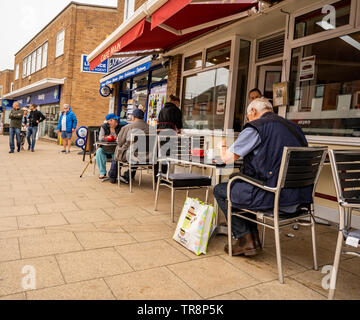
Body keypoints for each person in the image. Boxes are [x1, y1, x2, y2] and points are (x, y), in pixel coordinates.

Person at [213, 98, 311, 257]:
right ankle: (254, 239)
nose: (248, 120)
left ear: (253, 112)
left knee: (222, 189)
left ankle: (245, 239)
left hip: (274, 197)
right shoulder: (295, 129)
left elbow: (227, 159)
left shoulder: (257, 127)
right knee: (240, 185)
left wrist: (222, 146)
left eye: (248, 116)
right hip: (299, 199)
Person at [109, 108, 150, 184]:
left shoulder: (127, 127)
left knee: (118, 149)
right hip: (147, 157)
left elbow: (120, 142)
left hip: (130, 156)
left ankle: (112, 176)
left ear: (133, 117)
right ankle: (128, 175)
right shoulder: (151, 128)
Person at [95, 113, 123, 180]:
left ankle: (114, 172)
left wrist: (117, 138)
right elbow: (100, 138)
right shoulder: (104, 127)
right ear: (109, 121)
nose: (116, 120)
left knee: (119, 154)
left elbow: (122, 138)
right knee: (99, 152)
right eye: (114, 119)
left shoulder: (120, 127)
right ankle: (102, 172)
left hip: (115, 149)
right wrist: (108, 138)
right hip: (105, 148)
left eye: (116, 119)